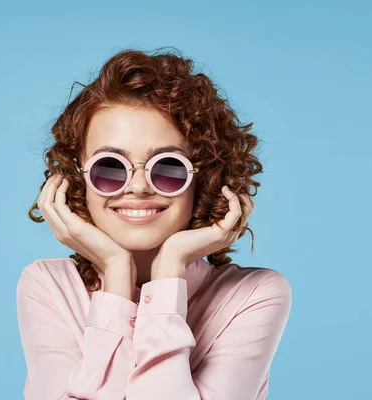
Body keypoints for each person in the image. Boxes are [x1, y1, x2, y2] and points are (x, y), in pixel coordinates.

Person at [17, 47, 292, 400]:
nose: (138, 186)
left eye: (167, 167)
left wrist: (169, 270)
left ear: (203, 177)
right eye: (110, 167)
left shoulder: (253, 295)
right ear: (77, 177)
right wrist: (117, 271)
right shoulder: (47, 287)